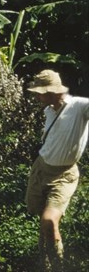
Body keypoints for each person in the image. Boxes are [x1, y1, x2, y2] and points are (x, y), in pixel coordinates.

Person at [25, 69, 89, 271]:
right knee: (41, 217)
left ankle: (60, 266)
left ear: (51, 90)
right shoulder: (49, 110)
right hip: (41, 168)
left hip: (64, 175)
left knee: (49, 220)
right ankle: (43, 262)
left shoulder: (80, 106)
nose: (36, 96)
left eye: (39, 92)